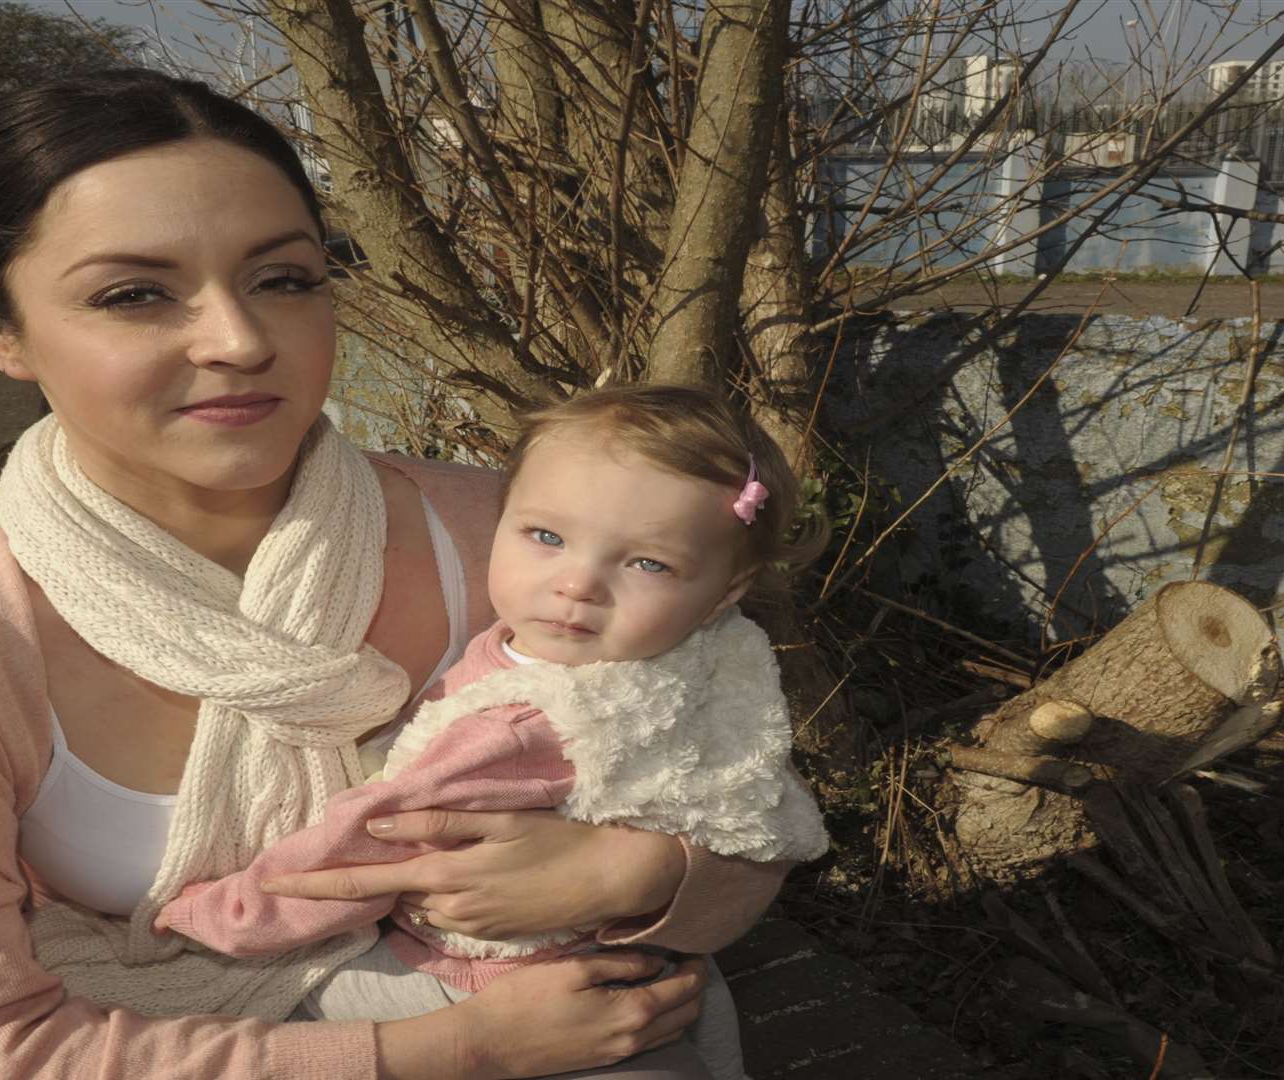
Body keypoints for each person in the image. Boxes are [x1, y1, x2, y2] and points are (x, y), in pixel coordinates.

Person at [0, 69, 793, 1080]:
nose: (240, 340)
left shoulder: (524, 540)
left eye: (284, 278)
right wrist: (451, 1049)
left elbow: (743, 798)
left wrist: (643, 872)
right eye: (134, 294)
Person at [146, 386, 830, 1079]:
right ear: (497, 520)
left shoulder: (519, 722)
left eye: (647, 563)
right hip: (661, 960)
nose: (577, 584)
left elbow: (363, 846)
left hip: (486, 980)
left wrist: (221, 915)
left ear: (726, 588)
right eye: (548, 537)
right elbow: (764, 805)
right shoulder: (721, 660)